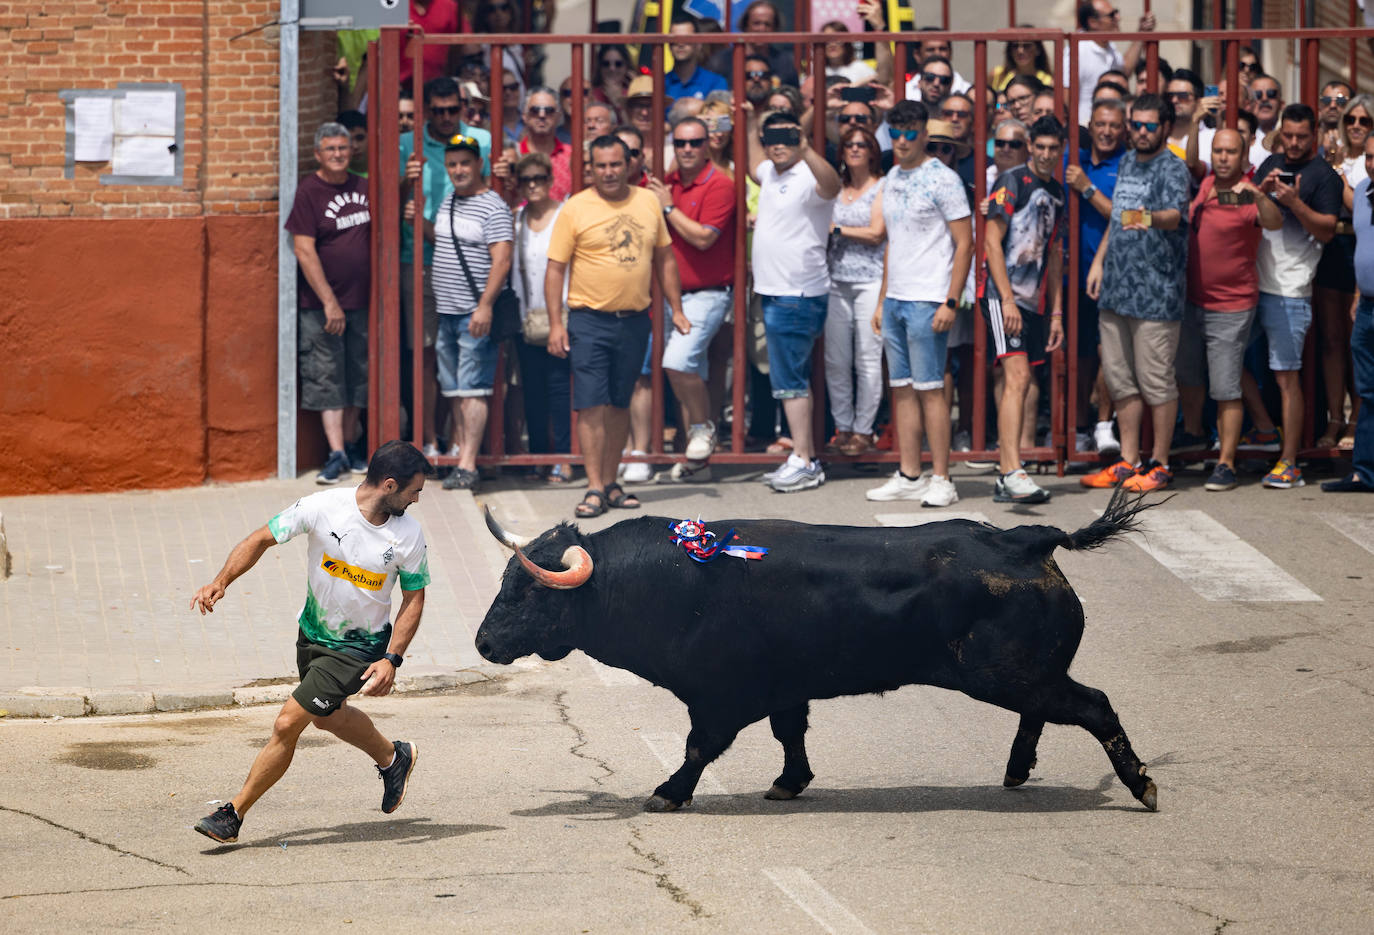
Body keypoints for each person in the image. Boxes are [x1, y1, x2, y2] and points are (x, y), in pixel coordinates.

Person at [190, 440, 434, 844]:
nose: (418, 500)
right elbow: (260, 539)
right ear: (389, 485)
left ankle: (232, 814)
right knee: (327, 716)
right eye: (414, 492)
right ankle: (394, 757)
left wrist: (393, 658)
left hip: (360, 648)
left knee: (288, 722)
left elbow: (414, 597)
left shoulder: (408, 535)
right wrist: (220, 581)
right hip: (313, 635)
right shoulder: (323, 507)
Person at [545, 135, 684, 517]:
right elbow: (555, 269)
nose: (608, 172)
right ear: (590, 168)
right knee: (590, 405)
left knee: (620, 403)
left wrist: (678, 308)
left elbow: (665, 259)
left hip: (636, 320)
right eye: (600, 165)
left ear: (629, 164)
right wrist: (557, 323)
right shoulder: (575, 208)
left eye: (615, 164)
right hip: (589, 320)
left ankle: (609, 482)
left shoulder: (648, 201)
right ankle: (592, 487)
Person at [1083, 93, 1191, 492]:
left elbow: (1175, 216)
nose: (1141, 132)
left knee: (1156, 381)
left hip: (1156, 294)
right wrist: (1099, 263)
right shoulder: (1127, 160)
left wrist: (1145, 217)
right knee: (1121, 380)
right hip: (1116, 289)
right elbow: (1117, 219)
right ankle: (1129, 460)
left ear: (1165, 127)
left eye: (1149, 126)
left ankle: (1160, 463)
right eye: (1137, 125)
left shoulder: (1173, 167)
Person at [867, 100, 972, 506]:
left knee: (931, 390)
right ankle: (910, 473)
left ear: (924, 134)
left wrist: (950, 300)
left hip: (929, 300)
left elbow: (965, 244)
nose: (903, 140)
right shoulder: (891, 175)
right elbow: (892, 242)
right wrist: (882, 301)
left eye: (911, 132)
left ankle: (942, 478)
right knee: (903, 389)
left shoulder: (943, 179)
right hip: (896, 300)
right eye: (896, 133)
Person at [1177, 129, 1282, 492]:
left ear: (1243, 156)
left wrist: (1256, 193)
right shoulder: (1205, 180)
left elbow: (1274, 221)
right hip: (1192, 301)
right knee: (1192, 375)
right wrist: (1193, 121)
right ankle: (1195, 438)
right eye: (1218, 151)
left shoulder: (1249, 192)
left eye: (1230, 152)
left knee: (1225, 388)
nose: (1223, 157)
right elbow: (1190, 161)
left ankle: (1226, 464)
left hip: (1231, 305)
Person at [1244, 103, 1342, 489]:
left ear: (1314, 135)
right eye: (1289, 136)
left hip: (1291, 292)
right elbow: (1246, 208)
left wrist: (1294, 203)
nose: (1295, 143)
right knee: (1225, 360)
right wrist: (1260, 193)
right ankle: (1267, 429)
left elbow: (1328, 231)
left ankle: (1290, 463)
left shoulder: (1324, 177)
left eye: (1302, 137)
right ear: (1280, 132)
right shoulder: (1270, 164)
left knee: (1287, 377)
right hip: (1253, 284)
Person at [748, 108, 841, 491]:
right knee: (788, 378)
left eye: (787, 138)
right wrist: (754, 120)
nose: (778, 145)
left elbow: (833, 185)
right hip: (775, 291)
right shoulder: (770, 170)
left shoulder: (808, 173)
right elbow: (754, 158)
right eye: (773, 139)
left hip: (797, 293)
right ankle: (801, 456)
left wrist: (804, 147)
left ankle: (804, 458)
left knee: (791, 379)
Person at [401, 77, 493, 459]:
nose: (444, 117)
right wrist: (402, 180)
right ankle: (428, 441)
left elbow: (496, 192)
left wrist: (504, 169)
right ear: (426, 110)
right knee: (425, 354)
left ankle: (460, 443)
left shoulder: (481, 140)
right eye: (436, 111)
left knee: (463, 355)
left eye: (451, 110)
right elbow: (385, 197)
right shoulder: (409, 144)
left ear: (462, 106)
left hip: (470, 264)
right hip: (418, 259)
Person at [981, 116, 1067, 504]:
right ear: (1030, 145)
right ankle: (1011, 470)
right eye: (1041, 147)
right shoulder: (1011, 181)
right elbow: (991, 242)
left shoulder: (1058, 192)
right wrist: (1008, 299)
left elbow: (1054, 255)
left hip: (1033, 300)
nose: (1047, 155)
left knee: (1021, 382)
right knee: (1016, 378)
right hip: (1004, 296)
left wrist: (1057, 313)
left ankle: (1007, 473)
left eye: (1054, 148)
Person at [647, 115, 737, 483]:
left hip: (708, 293)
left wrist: (668, 208)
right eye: (680, 143)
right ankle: (696, 463)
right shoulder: (666, 183)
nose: (687, 150)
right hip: (668, 293)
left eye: (695, 143)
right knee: (688, 376)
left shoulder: (720, 184)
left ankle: (703, 428)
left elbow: (703, 238)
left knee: (679, 363)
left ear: (708, 146)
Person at [427, 135, 514, 491]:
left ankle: (467, 464)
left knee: (473, 388)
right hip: (446, 310)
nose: (459, 170)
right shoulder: (449, 201)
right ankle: (462, 454)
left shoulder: (493, 206)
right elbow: (442, 242)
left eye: (465, 163)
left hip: (473, 312)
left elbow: (502, 259)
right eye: (452, 164)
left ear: (480, 164)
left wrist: (485, 306)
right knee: (454, 390)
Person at [288, 122, 373, 484]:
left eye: (343, 147)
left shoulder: (364, 186)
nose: (338, 154)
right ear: (318, 154)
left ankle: (352, 445)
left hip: (363, 303)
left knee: (359, 375)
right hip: (322, 307)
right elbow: (303, 249)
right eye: (331, 149)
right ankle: (335, 452)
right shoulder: (310, 191)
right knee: (327, 377)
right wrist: (329, 302)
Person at [1065, 98, 1127, 455]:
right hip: (1070, 277)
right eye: (1100, 125)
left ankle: (1105, 424)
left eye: (1114, 126)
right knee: (1079, 355)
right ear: (1091, 125)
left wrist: (1086, 187)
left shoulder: (1126, 164)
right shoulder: (1073, 159)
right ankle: (1078, 428)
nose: (1106, 132)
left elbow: (1120, 215)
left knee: (1110, 354)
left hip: (1111, 274)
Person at [1315, 94, 1373, 449]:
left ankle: (1356, 418)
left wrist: (1336, 171)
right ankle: (1335, 416)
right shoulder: (1333, 154)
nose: (1355, 125)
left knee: (1358, 345)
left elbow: (1354, 201)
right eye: (1351, 119)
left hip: (1360, 250)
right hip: (1331, 250)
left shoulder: (1366, 166)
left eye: (1364, 121)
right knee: (1332, 341)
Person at [511, 152, 573, 485]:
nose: (533, 185)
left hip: (560, 313)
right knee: (532, 391)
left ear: (550, 180)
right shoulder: (516, 218)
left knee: (560, 389)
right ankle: (538, 456)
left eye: (539, 178)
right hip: (526, 315)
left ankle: (562, 459)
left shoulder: (565, 214)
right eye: (526, 180)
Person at [825, 125, 887, 458]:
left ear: (873, 151)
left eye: (863, 144)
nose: (855, 149)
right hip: (836, 279)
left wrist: (835, 228)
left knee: (867, 357)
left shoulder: (882, 186)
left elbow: (877, 233)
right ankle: (843, 427)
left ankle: (864, 430)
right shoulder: (835, 188)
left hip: (870, 280)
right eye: (849, 144)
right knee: (836, 359)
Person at [1325, 133, 1374, 492]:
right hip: (1368, 305)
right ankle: (1364, 472)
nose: (1373, 165)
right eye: (1370, 158)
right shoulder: (1362, 196)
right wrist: (1358, 292)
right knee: (1367, 392)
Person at [1067, 0, 1156, 125]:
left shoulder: (1108, 46)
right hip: (1084, 130)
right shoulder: (1078, 51)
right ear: (1093, 22)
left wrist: (1142, 34)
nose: (1118, 18)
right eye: (1112, 15)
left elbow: (1124, 71)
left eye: (1117, 13)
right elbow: (1063, 96)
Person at [708, 0, 799, 88]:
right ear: (746, 25)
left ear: (774, 28)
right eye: (756, 23)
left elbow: (793, 95)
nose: (762, 29)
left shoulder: (784, 63)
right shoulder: (721, 62)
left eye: (767, 24)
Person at [665, 15, 728, 104]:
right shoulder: (659, 84)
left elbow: (720, 115)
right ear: (668, 45)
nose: (680, 44)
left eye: (686, 39)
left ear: (699, 44)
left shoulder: (716, 82)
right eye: (674, 39)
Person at [822, 21, 875, 85]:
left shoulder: (860, 67)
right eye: (828, 40)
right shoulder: (815, 69)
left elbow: (883, 81)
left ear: (847, 43)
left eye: (837, 40)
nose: (832, 44)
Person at [1247, 74, 1283, 167]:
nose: (1264, 99)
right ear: (1248, 104)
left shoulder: (1291, 134)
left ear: (1281, 103)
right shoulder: (1242, 135)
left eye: (1271, 94)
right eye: (1257, 95)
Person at [337, 109, 368, 177]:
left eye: (360, 138)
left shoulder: (385, 166)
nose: (355, 146)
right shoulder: (336, 178)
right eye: (348, 142)